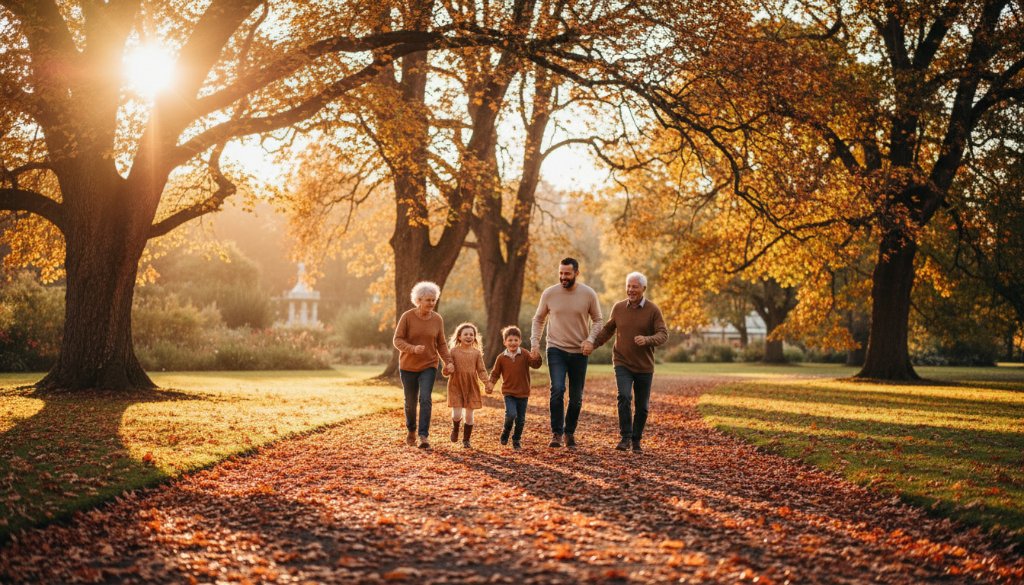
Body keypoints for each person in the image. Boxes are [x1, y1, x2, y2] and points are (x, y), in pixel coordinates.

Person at [530, 257, 603, 449]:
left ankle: (569, 432)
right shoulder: (549, 293)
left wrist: (590, 340)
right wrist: (535, 344)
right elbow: (538, 320)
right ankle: (557, 433)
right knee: (557, 389)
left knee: (576, 396)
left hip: (579, 351)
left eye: (567, 273)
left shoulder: (588, 294)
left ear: (576, 273)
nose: (563, 277)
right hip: (556, 348)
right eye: (561, 273)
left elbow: (598, 320)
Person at [592, 272, 668, 452]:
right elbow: (608, 330)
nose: (630, 290)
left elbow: (663, 334)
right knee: (624, 396)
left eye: (634, 287)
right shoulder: (618, 308)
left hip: (644, 366)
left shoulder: (653, 310)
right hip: (622, 361)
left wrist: (647, 339)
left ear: (643, 289)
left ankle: (636, 439)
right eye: (628, 286)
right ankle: (625, 437)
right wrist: (592, 344)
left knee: (642, 407)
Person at [393, 281, 455, 449]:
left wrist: (448, 362)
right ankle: (411, 430)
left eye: (434, 300)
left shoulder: (437, 319)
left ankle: (423, 436)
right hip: (408, 366)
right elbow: (397, 340)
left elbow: (441, 344)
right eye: (428, 300)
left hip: (429, 364)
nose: (432, 303)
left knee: (425, 399)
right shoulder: (407, 317)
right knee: (410, 402)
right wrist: (412, 349)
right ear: (418, 300)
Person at [490, 326, 542, 451]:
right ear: (505, 342)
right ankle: (506, 431)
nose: (513, 343)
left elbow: (535, 365)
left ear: (520, 341)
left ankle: (516, 439)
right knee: (511, 415)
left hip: (523, 392)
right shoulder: (501, 358)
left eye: (515, 340)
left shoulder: (524, 354)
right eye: (510, 340)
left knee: (520, 420)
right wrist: (491, 383)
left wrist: (537, 356)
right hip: (509, 392)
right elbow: (495, 373)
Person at [444, 322, 492, 448]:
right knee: (456, 414)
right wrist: (448, 368)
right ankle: (455, 429)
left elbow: (481, 370)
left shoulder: (476, 353)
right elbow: (446, 369)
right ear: (459, 336)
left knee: (470, 416)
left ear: (475, 337)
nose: (469, 336)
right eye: (466, 334)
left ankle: (466, 440)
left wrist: (487, 382)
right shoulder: (453, 351)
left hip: (471, 386)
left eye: (471, 334)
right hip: (456, 385)